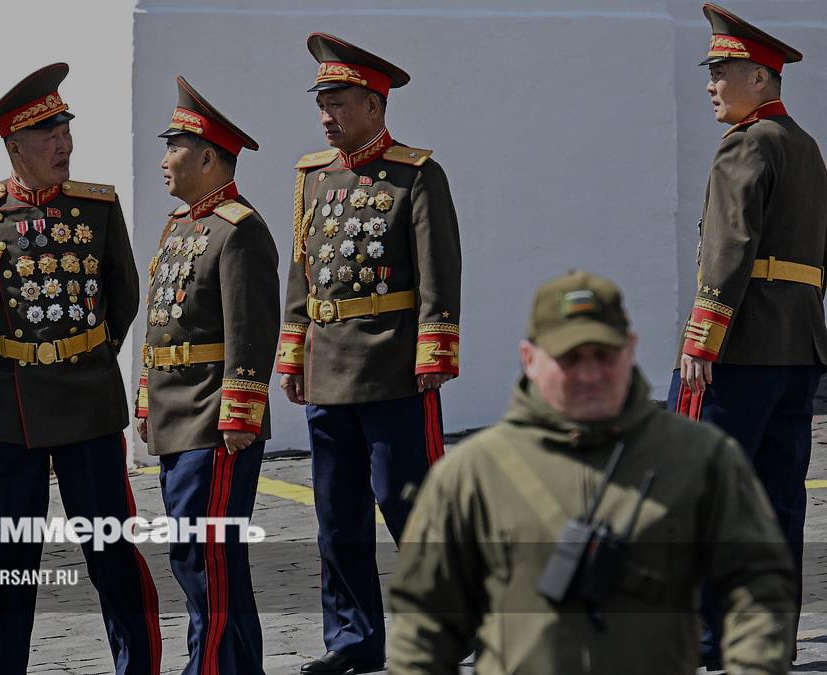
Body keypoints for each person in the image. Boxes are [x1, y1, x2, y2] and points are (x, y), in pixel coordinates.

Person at [388, 270, 797, 675]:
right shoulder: (473, 473)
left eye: (604, 355)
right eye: (569, 358)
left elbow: (758, 588)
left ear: (631, 349)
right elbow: (424, 629)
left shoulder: (701, 459)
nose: (589, 374)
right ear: (529, 359)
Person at [0, 63, 160, 675]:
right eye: (49, 137)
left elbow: (124, 295)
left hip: (88, 403)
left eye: (66, 133)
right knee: (5, 562)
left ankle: (139, 667)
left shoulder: (96, 207)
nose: (64, 146)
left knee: (111, 552)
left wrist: (86, 355)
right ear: (15, 147)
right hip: (9, 406)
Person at [274, 32, 462, 675]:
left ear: (374, 105)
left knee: (409, 502)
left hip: (392, 366)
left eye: (338, 103)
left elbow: (439, 270)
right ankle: (353, 637)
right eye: (321, 103)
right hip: (327, 367)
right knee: (337, 516)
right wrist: (292, 350)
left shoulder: (416, 174)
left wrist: (435, 351)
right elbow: (302, 271)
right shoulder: (312, 177)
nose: (326, 115)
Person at [667, 4, 827, 667]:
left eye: (721, 73)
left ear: (760, 79)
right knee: (779, 500)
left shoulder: (747, 144)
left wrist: (701, 339)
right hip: (797, 348)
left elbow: (729, 249)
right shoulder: (806, 147)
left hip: (739, 349)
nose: (711, 85)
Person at [134, 76, 280, 675]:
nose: (164, 160)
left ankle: (210, 666)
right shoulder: (180, 226)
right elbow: (161, 325)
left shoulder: (238, 230)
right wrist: (146, 399)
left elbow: (252, 328)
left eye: (174, 148)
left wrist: (240, 412)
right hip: (177, 411)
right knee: (202, 554)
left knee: (204, 555)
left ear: (207, 158)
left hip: (215, 415)